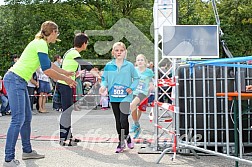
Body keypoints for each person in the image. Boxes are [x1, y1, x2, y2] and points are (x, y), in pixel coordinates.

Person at [2, 20, 77, 167]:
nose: (57, 36)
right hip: (15, 79)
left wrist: (65, 72)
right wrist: (66, 79)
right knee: (18, 119)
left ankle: (27, 151)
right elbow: (47, 70)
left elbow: (49, 65)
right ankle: (8, 159)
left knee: (27, 117)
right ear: (53, 32)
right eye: (57, 33)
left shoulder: (39, 43)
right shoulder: (41, 44)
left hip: (19, 81)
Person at [57, 33, 99, 146]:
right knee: (66, 112)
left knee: (68, 111)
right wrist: (97, 75)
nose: (87, 45)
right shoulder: (74, 53)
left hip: (67, 84)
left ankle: (68, 136)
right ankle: (63, 138)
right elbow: (86, 65)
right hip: (65, 85)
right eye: (87, 43)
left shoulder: (71, 52)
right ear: (83, 43)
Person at [99, 42, 139, 153]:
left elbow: (136, 78)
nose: (119, 52)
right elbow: (104, 79)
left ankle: (121, 142)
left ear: (125, 52)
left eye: (121, 50)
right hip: (113, 96)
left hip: (125, 97)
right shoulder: (109, 65)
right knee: (118, 120)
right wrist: (103, 87)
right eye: (117, 50)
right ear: (113, 52)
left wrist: (131, 88)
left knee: (123, 119)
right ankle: (127, 138)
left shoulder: (129, 65)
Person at [130, 54, 154, 139]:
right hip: (134, 91)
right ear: (136, 62)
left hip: (143, 92)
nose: (140, 61)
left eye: (141, 60)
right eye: (138, 60)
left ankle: (136, 124)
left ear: (145, 62)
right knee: (135, 108)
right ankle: (137, 126)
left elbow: (151, 80)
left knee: (134, 106)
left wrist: (151, 85)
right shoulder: (134, 70)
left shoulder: (149, 71)